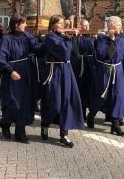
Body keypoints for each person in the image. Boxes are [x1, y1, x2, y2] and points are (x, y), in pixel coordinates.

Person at [0, 15, 43, 143]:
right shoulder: (7, 39)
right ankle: (5, 123)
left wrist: (48, 40)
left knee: (25, 103)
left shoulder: (26, 36)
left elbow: (37, 49)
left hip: (26, 72)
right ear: (16, 25)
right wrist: (10, 71)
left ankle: (20, 133)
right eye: (24, 23)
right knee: (13, 103)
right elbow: (1, 58)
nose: (26, 25)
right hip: (12, 74)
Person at [87, 16, 124, 136]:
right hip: (105, 71)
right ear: (111, 26)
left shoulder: (123, 38)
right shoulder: (102, 39)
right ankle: (91, 115)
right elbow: (104, 55)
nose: (120, 27)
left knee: (117, 96)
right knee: (102, 96)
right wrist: (112, 40)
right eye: (118, 25)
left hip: (118, 71)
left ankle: (115, 125)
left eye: (120, 25)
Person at [40, 15, 84, 148]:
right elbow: (64, 53)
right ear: (53, 25)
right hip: (55, 72)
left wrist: (74, 37)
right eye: (60, 23)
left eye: (63, 23)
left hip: (67, 71)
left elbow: (74, 53)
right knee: (54, 103)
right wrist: (69, 37)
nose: (63, 26)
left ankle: (64, 134)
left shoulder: (63, 37)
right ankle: (45, 123)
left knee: (67, 102)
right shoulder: (50, 38)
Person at [70, 19, 94, 120]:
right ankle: (81, 112)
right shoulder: (77, 38)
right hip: (79, 67)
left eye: (87, 26)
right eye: (83, 26)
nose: (86, 28)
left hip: (90, 66)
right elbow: (74, 50)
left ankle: (89, 113)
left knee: (89, 90)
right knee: (80, 90)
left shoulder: (93, 38)